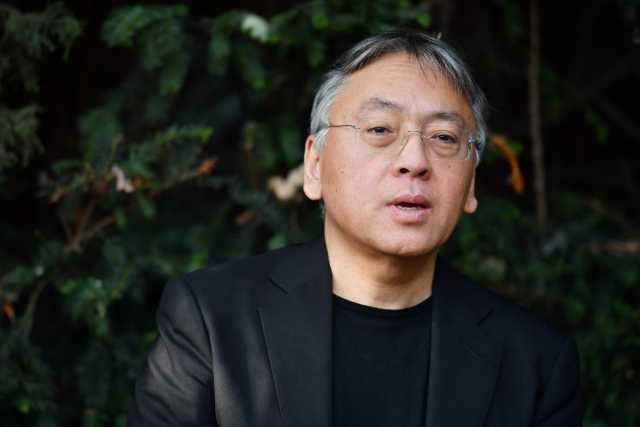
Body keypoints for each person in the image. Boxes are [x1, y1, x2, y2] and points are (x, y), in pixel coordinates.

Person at [128, 31, 583, 427]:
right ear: (315, 165)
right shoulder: (212, 320)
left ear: (471, 185)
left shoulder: (535, 364)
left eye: (444, 138)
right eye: (380, 129)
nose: (415, 161)